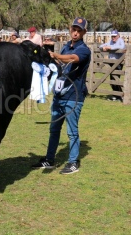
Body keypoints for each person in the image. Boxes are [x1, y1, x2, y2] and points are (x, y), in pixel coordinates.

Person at [32, 17, 91, 174]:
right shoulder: (65, 47)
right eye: (74, 29)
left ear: (84, 32)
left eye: (79, 30)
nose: (75, 33)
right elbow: (58, 65)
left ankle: (73, 162)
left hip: (74, 96)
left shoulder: (84, 50)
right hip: (59, 95)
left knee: (72, 131)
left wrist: (56, 55)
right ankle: (49, 159)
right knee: (54, 128)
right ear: (70, 30)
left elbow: (72, 59)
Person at [99, 30, 126, 101]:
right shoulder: (111, 42)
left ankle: (120, 96)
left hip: (118, 63)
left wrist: (110, 47)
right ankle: (115, 96)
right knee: (112, 80)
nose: (113, 37)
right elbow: (101, 45)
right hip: (111, 62)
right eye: (112, 36)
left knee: (116, 80)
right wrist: (103, 47)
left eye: (114, 36)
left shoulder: (120, 40)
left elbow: (122, 47)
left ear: (118, 35)